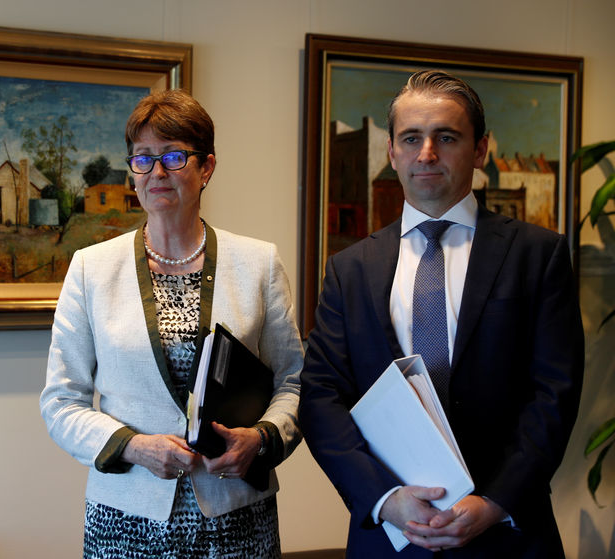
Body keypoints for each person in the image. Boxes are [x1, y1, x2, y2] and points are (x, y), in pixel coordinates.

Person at [299, 70, 583, 558]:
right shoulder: (349, 269)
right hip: (391, 538)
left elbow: (554, 393)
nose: (426, 153)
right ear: (392, 152)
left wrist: (495, 501)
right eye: (411, 138)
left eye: (445, 137)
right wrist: (386, 500)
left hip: (510, 534)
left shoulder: (538, 255)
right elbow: (321, 398)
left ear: (480, 150)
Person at [40, 89, 303, 558]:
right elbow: (61, 403)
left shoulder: (259, 264)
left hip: (238, 516)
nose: (157, 172)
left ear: (207, 168)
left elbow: (295, 383)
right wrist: (133, 447)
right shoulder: (90, 269)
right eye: (143, 158)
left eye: (174, 156)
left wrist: (260, 440)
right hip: (126, 520)